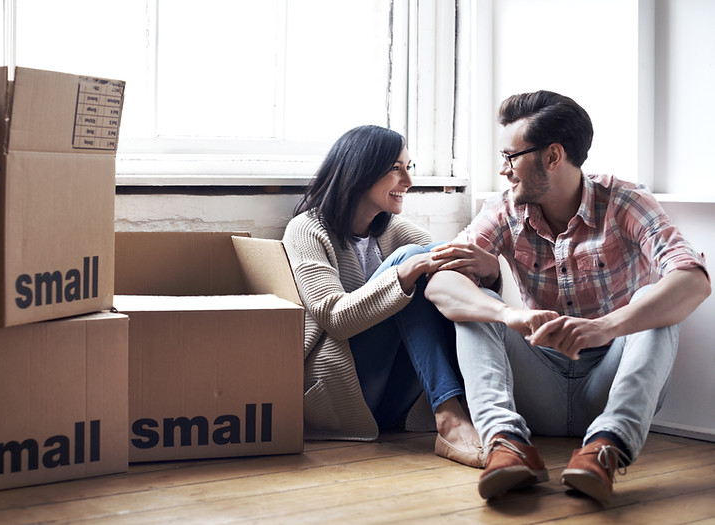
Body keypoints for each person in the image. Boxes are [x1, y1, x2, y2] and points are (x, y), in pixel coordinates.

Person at [425, 90, 710, 504]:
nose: (504, 170)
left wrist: (603, 327)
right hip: (536, 384)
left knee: (656, 302)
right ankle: (506, 446)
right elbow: (439, 283)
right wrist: (509, 315)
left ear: (553, 156)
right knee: (476, 304)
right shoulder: (503, 209)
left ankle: (606, 449)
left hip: (611, 384)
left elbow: (693, 279)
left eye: (511, 157)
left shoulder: (624, 201)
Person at [282, 124, 484, 468]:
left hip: (395, 400)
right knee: (411, 262)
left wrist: (482, 267)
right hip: (343, 392)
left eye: (410, 167)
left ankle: (476, 407)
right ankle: (451, 416)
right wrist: (404, 274)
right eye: (396, 168)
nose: (408, 181)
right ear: (360, 170)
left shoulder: (394, 229)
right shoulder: (307, 229)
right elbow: (335, 318)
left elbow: (443, 264)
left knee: (433, 258)